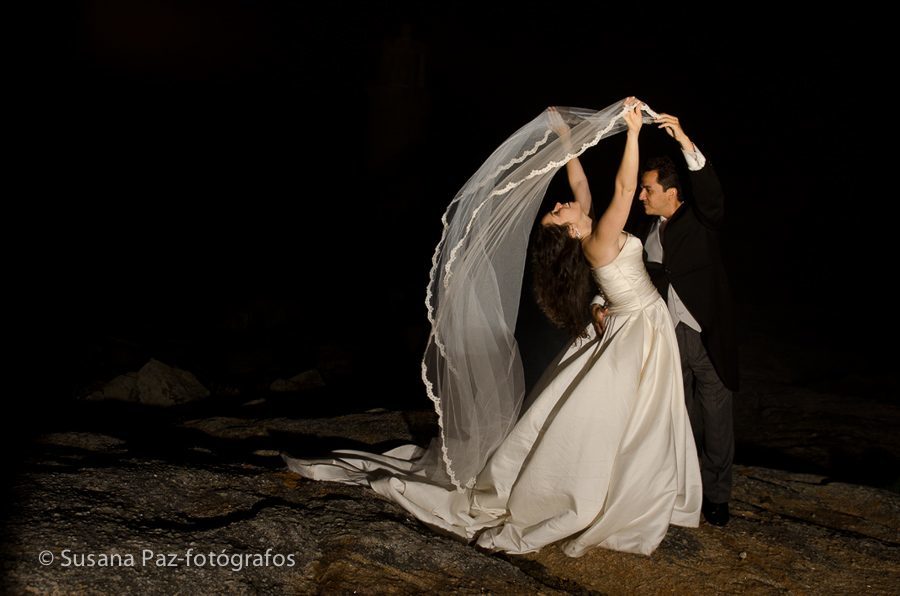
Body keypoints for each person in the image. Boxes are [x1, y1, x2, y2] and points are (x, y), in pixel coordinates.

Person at [283, 99, 701, 557]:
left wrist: (567, 141)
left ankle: (635, 491)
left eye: (559, 209)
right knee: (629, 417)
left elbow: (578, 183)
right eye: (558, 214)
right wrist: (635, 133)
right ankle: (616, 498)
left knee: (643, 415)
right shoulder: (599, 239)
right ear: (570, 232)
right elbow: (624, 190)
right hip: (636, 328)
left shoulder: (587, 222)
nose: (561, 206)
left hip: (637, 321)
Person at [623, 113, 738, 526]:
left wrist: (685, 140)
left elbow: (711, 193)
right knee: (679, 416)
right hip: (666, 337)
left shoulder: (702, 219)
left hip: (706, 336)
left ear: (670, 192)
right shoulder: (646, 229)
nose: (641, 196)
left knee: (717, 418)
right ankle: (682, 488)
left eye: (647, 189)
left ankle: (718, 496)